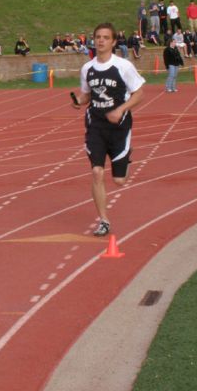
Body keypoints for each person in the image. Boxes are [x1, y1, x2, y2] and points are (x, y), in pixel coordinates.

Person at [72, 23, 145, 237]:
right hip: (95, 125)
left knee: (119, 181)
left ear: (113, 42)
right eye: (98, 37)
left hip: (119, 126)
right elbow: (87, 95)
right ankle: (104, 220)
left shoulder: (123, 66)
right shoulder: (87, 68)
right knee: (96, 172)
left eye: (105, 37)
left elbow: (139, 93)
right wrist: (79, 100)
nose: (101, 40)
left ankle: (124, 157)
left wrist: (121, 110)